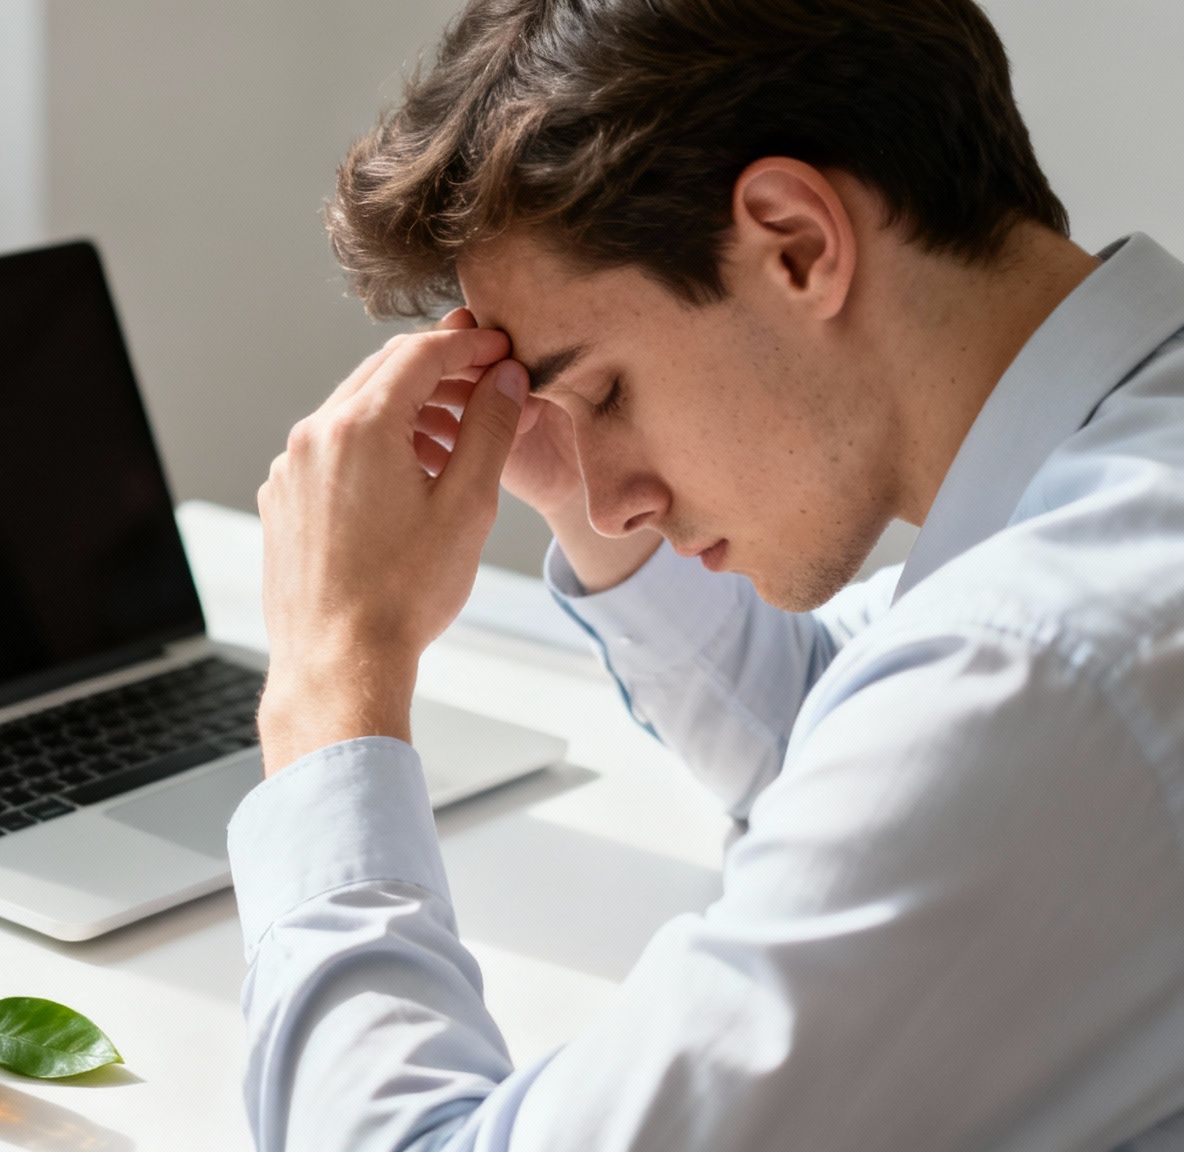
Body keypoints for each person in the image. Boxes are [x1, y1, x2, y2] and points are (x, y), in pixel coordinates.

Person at [232, 0, 1184, 1148]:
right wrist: (576, 470)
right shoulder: (1111, 494)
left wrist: (331, 677)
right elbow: (850, 733)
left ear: (794, 242)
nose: (611, 495)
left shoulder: (1039, 671)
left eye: (608, 391)